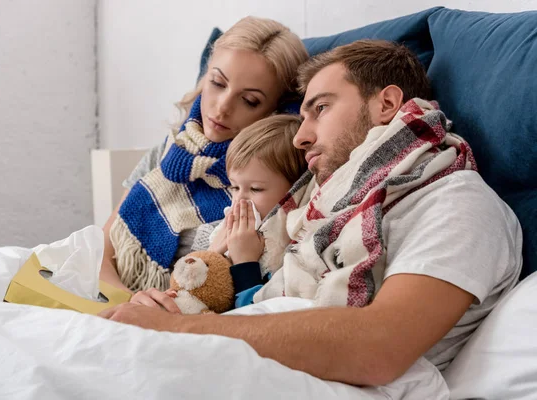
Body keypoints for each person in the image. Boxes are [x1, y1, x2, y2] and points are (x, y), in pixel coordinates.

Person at [98, 40, 522, 387]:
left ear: (388, 103)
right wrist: (171, 310)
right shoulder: (325, 209)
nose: (300, 137)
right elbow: (261, 304)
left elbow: (380, 347)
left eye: (320, 108)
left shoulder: (459, 204)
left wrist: (171, 330)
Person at [99, 16, 309, 296]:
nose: (222, 108)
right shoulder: (171, 151)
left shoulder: (273, 182)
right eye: (218, 83)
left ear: (278, 110)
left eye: (249, 100)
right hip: (122, 300)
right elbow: (102, 251)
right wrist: (130, 301)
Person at [195, 114, 308, 309]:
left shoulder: (292, 246)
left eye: (255, 189)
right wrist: (212, 254)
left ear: (295, 190)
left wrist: (245, 262)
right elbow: (191, 293)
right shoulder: (215, 232)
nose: (239, 200)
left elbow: (257, 315)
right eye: (235, 187)